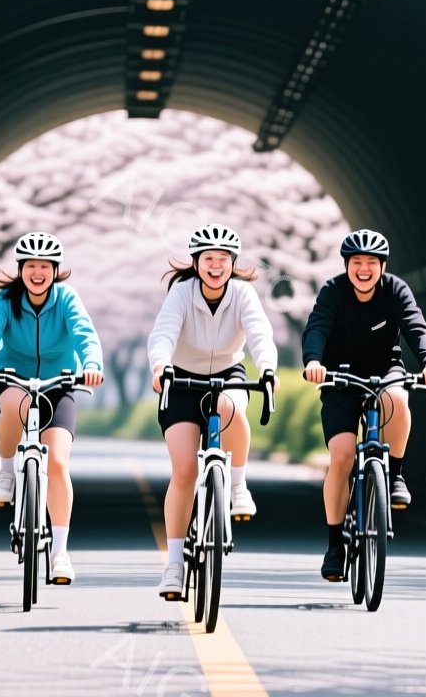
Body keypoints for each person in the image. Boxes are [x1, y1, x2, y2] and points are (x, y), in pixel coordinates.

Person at [302, 228, 426, 582]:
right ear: (347, 265)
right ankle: (335, 545)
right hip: (339, 378)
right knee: (342, 457)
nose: (363, 269)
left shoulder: (396, 290)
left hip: (385, 371)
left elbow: (415, 326)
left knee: (398, 397)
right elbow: (317, 328)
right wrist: (313, 361)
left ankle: (394, 475)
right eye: (356, 262)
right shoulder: (333, 293)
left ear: (382, 266)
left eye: (371, 262)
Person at [0, 231, 104, 585]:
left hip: (60, 384)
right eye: (31, 266)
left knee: (57, 462)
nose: (37, 273)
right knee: (15, 404)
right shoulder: (6, 300)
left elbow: (85, 334)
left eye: (45, 266)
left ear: (55, 270)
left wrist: (92, 365)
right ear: (21, 269)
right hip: (15, 378)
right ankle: (8, 470)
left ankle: (60, 553)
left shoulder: (67, 299)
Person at [147, 223, 278, 599]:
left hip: (228, 370)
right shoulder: (182, 293)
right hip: (181, 377)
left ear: (233, 263)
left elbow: (259, 334)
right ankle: (174, 566)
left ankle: (237, 485)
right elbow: (163, 333)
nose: (216, 265)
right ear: (196, 262)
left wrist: (267, 368)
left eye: (223, 259)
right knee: (185, 470)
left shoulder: (243, 294)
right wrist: (159, 366)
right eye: (209, 259)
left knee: (229, 403)